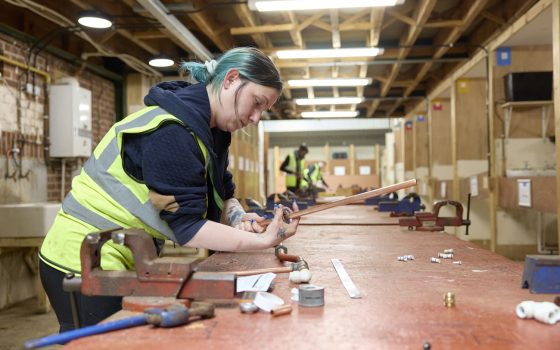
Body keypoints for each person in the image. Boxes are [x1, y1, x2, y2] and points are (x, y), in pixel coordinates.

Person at [39, 47, 300, 332]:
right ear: (231, 79)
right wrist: (263, 242)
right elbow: (187, 228)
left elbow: (223, 194)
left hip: (117, 255)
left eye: (264, 109)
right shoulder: (172, 132)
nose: (256, 118)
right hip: (79, 257)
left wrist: (242, 220)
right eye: (257, 103)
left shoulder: (211, 131)